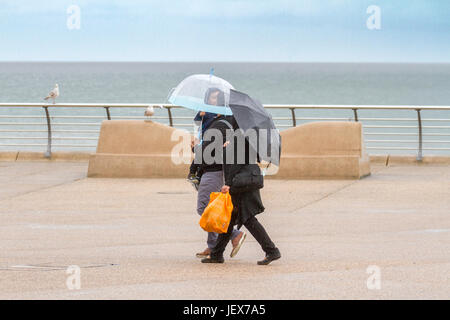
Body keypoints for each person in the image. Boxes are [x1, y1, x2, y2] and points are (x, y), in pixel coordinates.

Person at [201, 116, 281, 265]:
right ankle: (217, 254)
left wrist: (228, 184)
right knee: (231, 218)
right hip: (245, 183)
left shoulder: (240, 137)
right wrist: (228, 146)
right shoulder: (247, 137)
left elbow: (236, 164)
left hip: (240, 185)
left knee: (249, 219)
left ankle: (271, 250)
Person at [194, 88, 246, 258]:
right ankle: (212, 245)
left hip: (214, 170)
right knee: (213, 205)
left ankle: (234, 234)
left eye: (216, 99)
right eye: (210, 98)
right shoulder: (212, 120)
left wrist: (196, 148)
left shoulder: (221, 123)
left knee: (205, 208)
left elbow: (210, 150)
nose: (213, 102)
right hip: (214, 169)